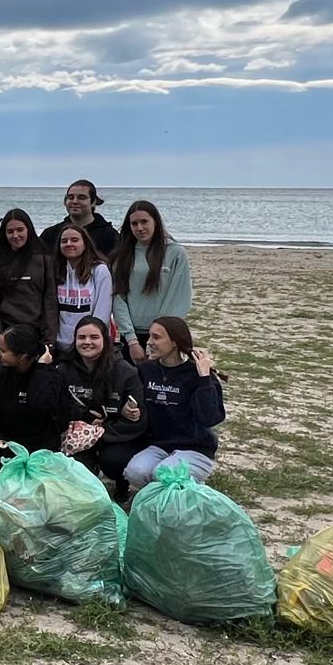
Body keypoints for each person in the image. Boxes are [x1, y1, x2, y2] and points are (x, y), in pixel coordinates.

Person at [125, 316, 225, 491]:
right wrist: (126, 409)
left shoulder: (198, 374)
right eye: (149, 336)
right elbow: (133, 402)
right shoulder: (147, 370)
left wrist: (204, 379)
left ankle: (189, 487)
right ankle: (162, 496)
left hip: (195, 448)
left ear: (175, 342)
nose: (149, 342)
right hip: (158, 445)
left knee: (163, 474)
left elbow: (210, 418)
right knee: (135, 472)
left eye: (156, 337)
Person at [59, 316, 146, 498]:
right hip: (77, 433)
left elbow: (138, 420)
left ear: (105, 340)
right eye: (81, 337)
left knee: (114, 460)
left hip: (113, 434)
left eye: (94, 337)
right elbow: (57, 407)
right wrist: (84, 424)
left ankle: (122, 485)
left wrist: (101, 432)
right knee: (74, 473)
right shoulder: (63, 368)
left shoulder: (125, 372)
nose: (87, 342)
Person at [0, 324, 69, 476]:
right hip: (5, 440)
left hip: (40, 444)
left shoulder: (51, 376)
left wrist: (41, 370)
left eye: (3, 351)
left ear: (22, 356)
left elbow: (40, 405)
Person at [111, 201, 193, 364]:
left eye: (144, 222)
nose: (139, 228)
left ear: (155, 221)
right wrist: (132, 341)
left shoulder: (176, 253)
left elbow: (178, 297)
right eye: (134, 223)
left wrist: (157, 335)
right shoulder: (122, 256)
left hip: (165, 335)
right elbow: (118, 299)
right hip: (132, 336)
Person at [0, 208, 58, 353]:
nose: (15, 235)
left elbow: (50, 301)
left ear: (28, 229)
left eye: (20, 230)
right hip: (8, 337)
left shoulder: (44, 260)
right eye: (10, 231)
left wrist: (50, 340)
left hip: (37, 336)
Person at [53, 222, 113, 352]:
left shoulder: (99, 270)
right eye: (64, 241)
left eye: (74, 240)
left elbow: (102, 312)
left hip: (88, 345)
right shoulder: (56, 271)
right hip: (60, 345)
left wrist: (89, 340)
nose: (69, 244)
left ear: (85, 244)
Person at [39, 179, 119, 258]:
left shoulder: (110, 236)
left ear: (93, 201)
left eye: (81, 197)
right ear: (65, 201)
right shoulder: (50, 234)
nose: (75, 201)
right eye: (70, 197)